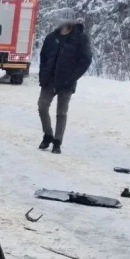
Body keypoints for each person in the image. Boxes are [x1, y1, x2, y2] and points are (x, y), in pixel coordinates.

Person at [37, 8, 93, 154]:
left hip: (67, 82)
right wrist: (43, 75)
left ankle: (57, 141)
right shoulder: (51, 37)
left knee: (61, 112)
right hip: (49, 80)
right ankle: (48, 135)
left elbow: (86, 60)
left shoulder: (80, 38)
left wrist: (72, 77)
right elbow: (43, 57)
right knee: (42, 107)